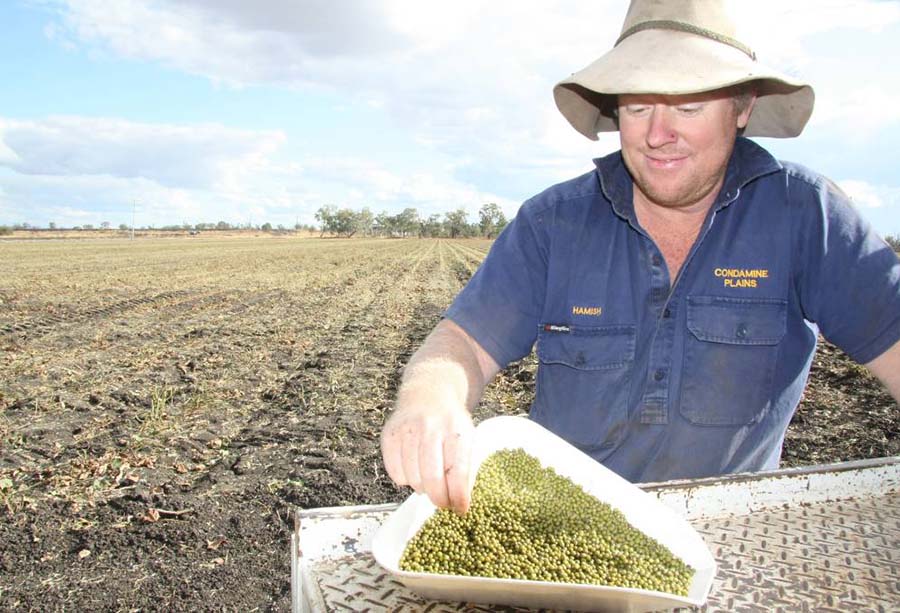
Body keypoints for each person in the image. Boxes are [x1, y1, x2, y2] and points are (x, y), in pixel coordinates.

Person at [381, 0, 900, 514]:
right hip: (566, 530)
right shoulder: (553, 223)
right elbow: (463, 345)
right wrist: (431, 402)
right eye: (638, 107)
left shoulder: (804, 213)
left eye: (689, 107)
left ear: (742, 108)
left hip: (730, 536)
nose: (657, 135)